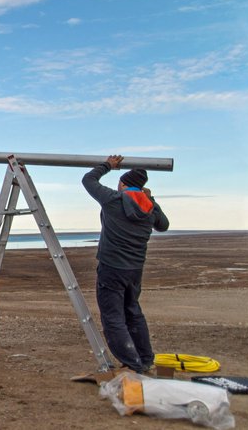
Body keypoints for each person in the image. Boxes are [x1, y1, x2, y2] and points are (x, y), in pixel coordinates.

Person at [82, 155, 169, 373]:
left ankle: (132, 364)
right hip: (134, 270)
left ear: (123, 184)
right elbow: (164, 225)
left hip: (111, 268)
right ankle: (145, 359)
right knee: (132, 311)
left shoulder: (114, 199)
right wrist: (152, 199)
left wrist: (107, 166)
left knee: (113, 317)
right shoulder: (149, 207)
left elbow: (88, 180)